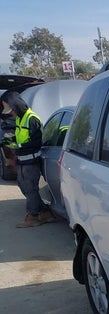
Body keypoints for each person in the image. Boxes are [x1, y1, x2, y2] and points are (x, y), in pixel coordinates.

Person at [0, 91, 56, 228]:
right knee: (23, 186)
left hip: (31, 161)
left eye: (11, 110)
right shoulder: (20, 118)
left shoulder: (32, 119)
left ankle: (33, 216)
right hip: (22, 160)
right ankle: (44, 212)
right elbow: (20, 136)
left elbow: (36, 142)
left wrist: (18, 146)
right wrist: (7, 141)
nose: (11, 113)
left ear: (17, 106)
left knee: (30, 188)